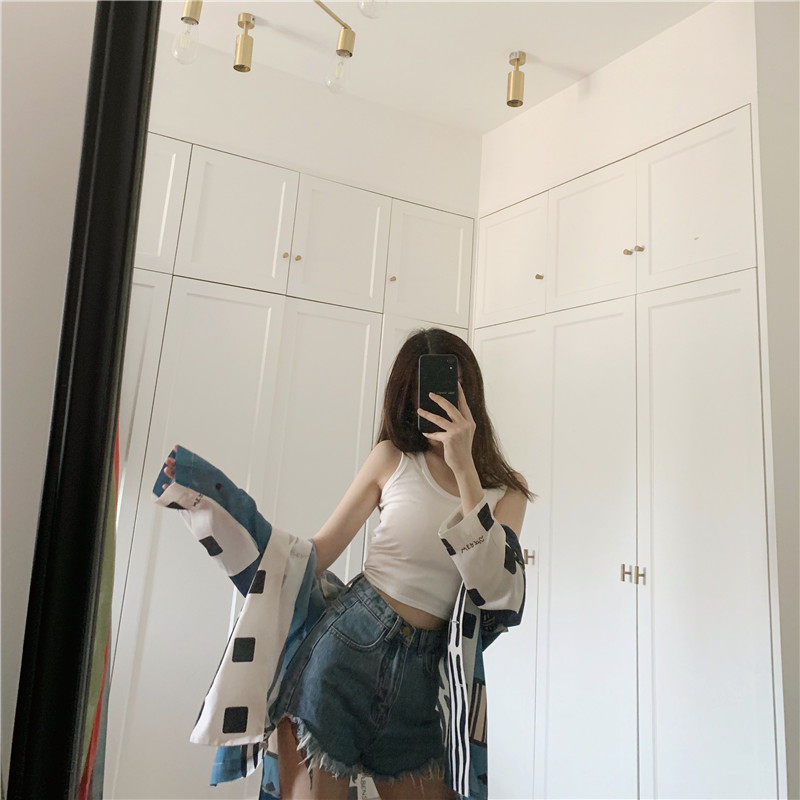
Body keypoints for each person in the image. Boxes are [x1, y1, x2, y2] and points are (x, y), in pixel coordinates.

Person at [161, 328, 532, 800]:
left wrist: (464, 469)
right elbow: (314, 555)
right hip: (345, 651)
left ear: (470, 394)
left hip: (427, 682)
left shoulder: (507, 491)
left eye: (448, 390)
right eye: (421, 391)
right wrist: (212, 498)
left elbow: (497, 590)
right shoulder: (392, 459)